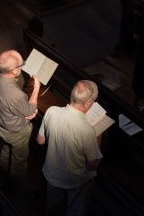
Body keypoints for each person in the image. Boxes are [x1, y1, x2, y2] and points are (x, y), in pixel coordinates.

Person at [37, 80, 102, 216]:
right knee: (76, 208)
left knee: (53, 208)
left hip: (52, 174)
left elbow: (40, 140)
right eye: (94, 101)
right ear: (87, 103)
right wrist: (99, 135)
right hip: (75, 180)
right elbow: (92, 165)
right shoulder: (87, 130)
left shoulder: (51, 111)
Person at [0, 50, 40, 179]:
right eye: (21, 64)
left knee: (6, 148)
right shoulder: (15, 95)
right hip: (16, 132)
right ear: (14, 71)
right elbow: (29, 110)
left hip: (1, 126)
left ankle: (1, 171)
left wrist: (18, 112)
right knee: (19, 161)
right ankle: (15, 187)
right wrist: (36, 88)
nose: (23, 65)